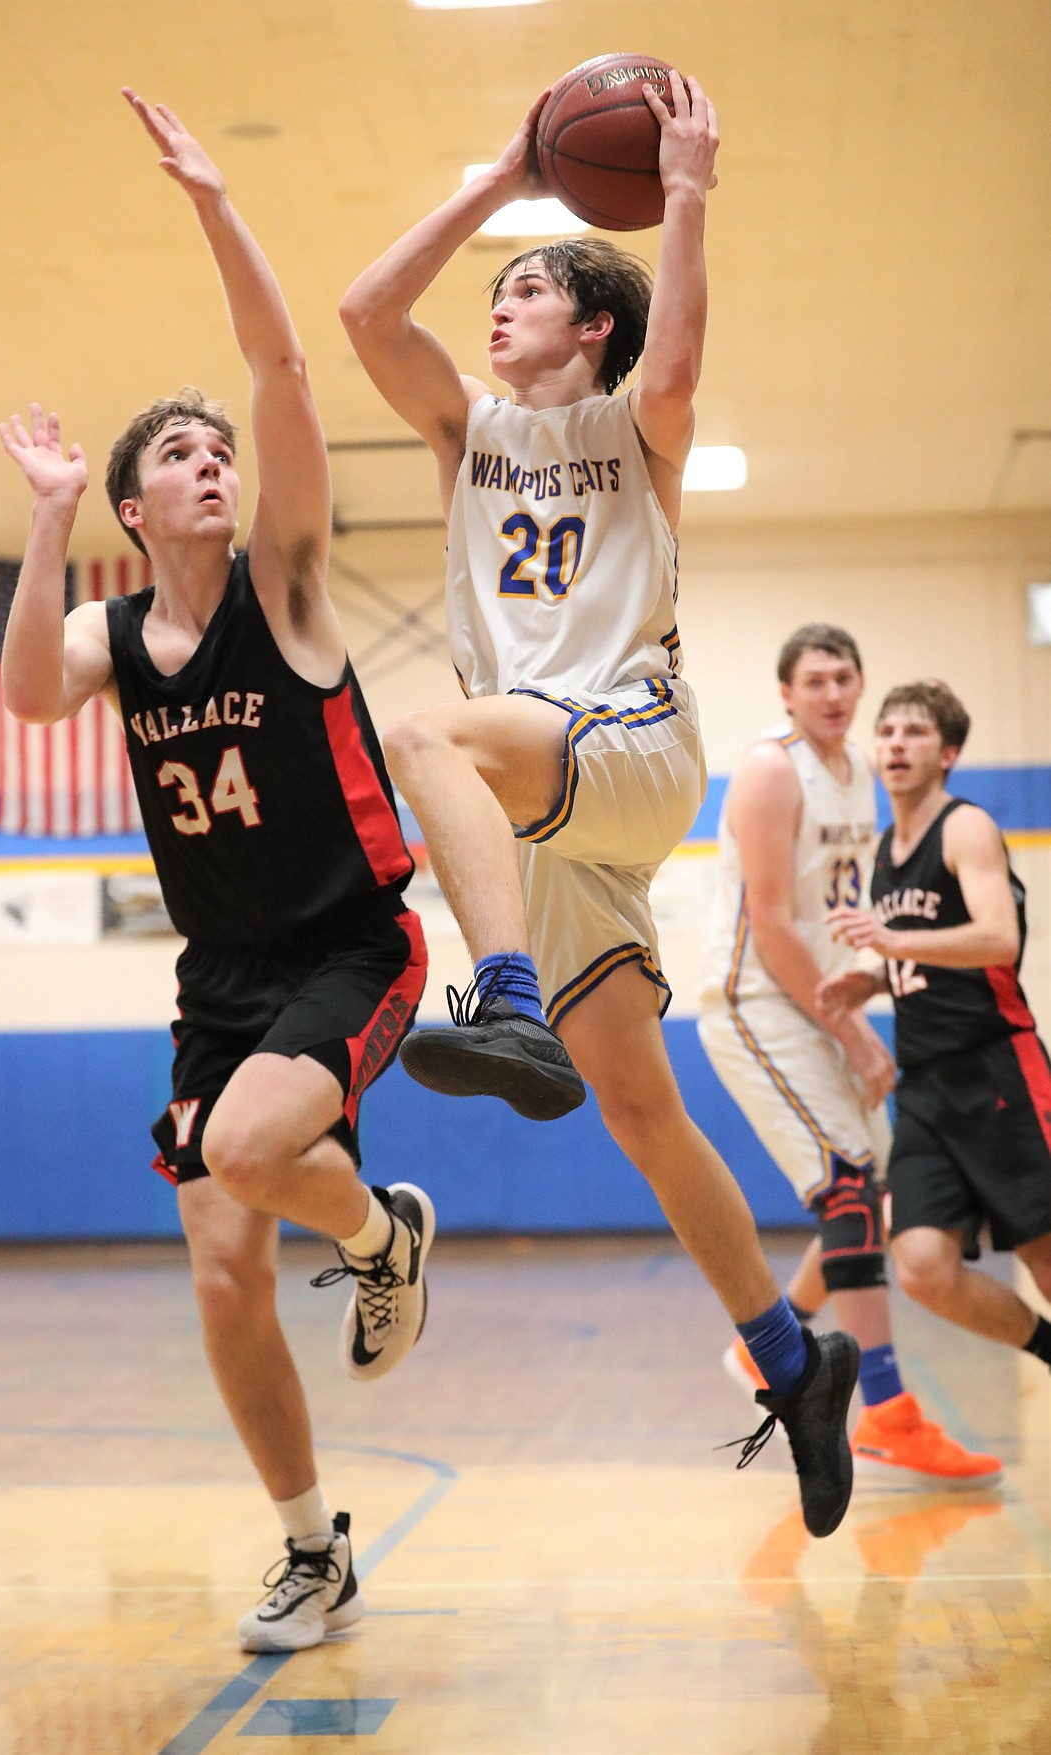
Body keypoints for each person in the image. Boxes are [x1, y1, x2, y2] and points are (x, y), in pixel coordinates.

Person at [340, 75, 859, 1538]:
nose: (496, 308)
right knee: (637, 1105)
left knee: (420, 728)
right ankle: (788, 1351)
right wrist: (496, 185)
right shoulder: (469, 437)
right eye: (496, 291)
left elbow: (682, 364)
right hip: (539, 798)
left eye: (525, 290)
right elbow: (365, 316)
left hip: (622, 734)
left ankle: (498, 990)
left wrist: (685, 191)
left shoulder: (637, 432)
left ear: (592, 327)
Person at [0, 90, 435, 1653]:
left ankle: (382, 1232)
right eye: (176, 457)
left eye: (215, 452)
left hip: (354, 947)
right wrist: (47, 519)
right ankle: (312, 1547)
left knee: (249, 1154)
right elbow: (28, 693)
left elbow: (282, 367)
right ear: (132, 505)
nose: (210, 465)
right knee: (222, 1274)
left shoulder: (290, 583)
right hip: (222, 979)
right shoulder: (114, 636)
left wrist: (210, 199)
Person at [698, 626, 1002, 1487]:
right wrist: (854, 1030)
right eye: (814, 680)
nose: (833, 693)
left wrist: (862, 990)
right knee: (846, 1179)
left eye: (844, 678)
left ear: (861, 686)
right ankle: (888, 1411)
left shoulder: (859, 774)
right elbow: (772, 922)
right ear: (786, 694)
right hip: (758, 1001)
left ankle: (768, 1349)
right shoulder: (769, 767)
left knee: (871, 1184)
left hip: (823, 1000)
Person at [818, 678, 1051, 1378]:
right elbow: (921, 953)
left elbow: (996, 939)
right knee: (920, 1264)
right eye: (887, 731)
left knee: (1043, 1256)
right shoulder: (886, 848)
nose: (895, 743)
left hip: (996, 1070)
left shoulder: (965, 825)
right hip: (925, 1086)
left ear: (947, 752)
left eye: (915, 732)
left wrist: (889, 945)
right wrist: (869, 978)